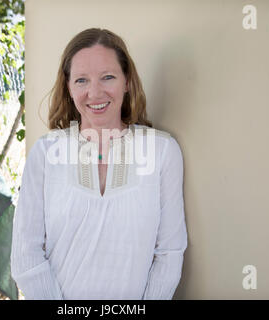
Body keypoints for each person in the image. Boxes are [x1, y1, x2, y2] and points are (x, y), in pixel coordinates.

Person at [10, 28, 188, 300]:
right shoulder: (46, 153)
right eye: (81, 80)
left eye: (108, 77)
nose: (94, 92)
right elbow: (26, 257)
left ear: (127, 81)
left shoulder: (163, 152)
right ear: (68, 87)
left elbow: (169, 253)